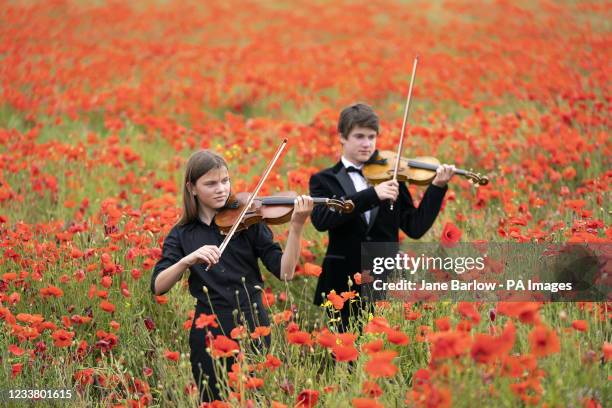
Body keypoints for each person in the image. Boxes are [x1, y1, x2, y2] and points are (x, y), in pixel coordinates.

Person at [150, 150, 313, 403]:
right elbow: (158, 286)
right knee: (213, 399)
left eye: (225, 181)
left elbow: (285, 272)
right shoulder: (181, 234)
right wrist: (187, 259)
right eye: (211, 183)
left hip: (253, 325)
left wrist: (297, 226)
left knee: (254, 399)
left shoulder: (249, 221)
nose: (221, 189)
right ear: (192, 188)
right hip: (209, 331)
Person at [309, 103, 455, 332]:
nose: (367, 144)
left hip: (386, 279)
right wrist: (372, 195)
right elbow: (321, 220)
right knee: (344, 354)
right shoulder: (324, 180)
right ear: (342, 137)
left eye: (371, 137)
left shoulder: (393, 174)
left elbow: (415, 227)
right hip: (342, 282)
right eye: (359, 136)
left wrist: (437, 187)